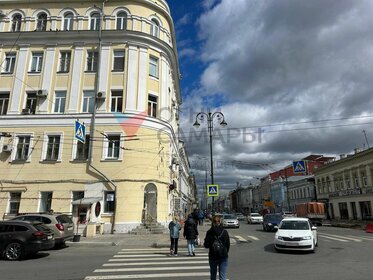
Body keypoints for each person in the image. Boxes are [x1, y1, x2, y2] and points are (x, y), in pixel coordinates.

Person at [204, 215, 230, 280]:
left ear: (212, 222)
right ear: (220, 221)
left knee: (213, 275)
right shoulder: (224, 232)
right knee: (223, 275)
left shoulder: (209, 232)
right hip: (223, 256)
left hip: (213, 256)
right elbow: (228, 244)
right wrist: (225, 252)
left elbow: (206, 245)